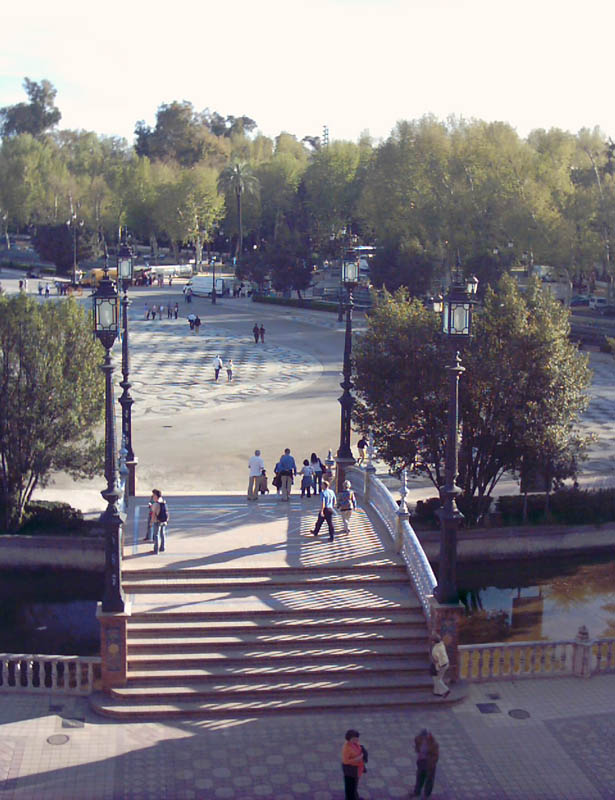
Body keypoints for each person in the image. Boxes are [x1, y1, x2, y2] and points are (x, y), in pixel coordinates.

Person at [412, 729, 439, 798]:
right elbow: (416, 743)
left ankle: (426, 795)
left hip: (430, 764)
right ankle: (416, 792)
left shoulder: (433, 744)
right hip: (421, 762)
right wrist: (419, 752)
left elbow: (435, 756)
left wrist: (431, 764)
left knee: (429, 780)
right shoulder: (419, 739)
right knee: (419, 778)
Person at [341, 729, 365, 800]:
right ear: (349, 739)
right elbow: (345, 761)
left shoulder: (355, 743)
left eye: (357, 738)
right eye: (354, 739)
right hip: (351, 769)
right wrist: (358, 758)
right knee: (350, 786)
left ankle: (355, 797)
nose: (356, 740)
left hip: (357, 768)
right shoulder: (346, 748)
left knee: (354, 785)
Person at [150, 489, 169, 554]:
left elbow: (153, 513)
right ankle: (162, 547)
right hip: (163, 520)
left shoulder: (155, 504)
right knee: (162, 534)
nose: (152, 496)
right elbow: (167, 511)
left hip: (157, 521)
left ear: (156, 496)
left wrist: (151, 522)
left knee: (156, 535)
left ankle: (156, 550)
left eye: (153, 495)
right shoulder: (163, 502)